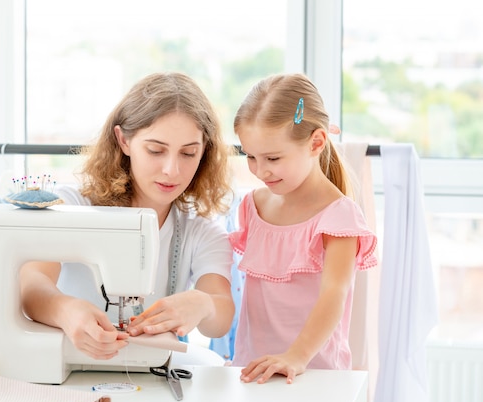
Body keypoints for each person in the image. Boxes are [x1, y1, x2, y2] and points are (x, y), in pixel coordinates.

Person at [19, 72, 235, 361]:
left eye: (188, 153)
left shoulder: (202, 232)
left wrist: (204, 304)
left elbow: (220, 319)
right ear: (123, 140)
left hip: (147, 368)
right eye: (156, 150)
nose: (172, 170)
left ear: (204, 152)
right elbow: (31, 283)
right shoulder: (72, 206)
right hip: (63, 363)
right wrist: (65, 310)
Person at [229, 73, 378, 384]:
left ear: (316, 143)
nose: (260, 170)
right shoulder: (253, 206)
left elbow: (333, 295)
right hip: (252, 372)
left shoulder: (338, 217)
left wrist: (296, 356)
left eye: (272, 157)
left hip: (315, 376)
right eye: (250, 157)